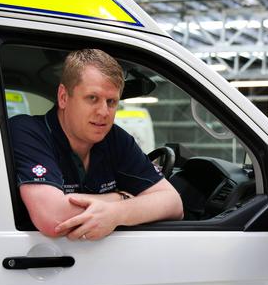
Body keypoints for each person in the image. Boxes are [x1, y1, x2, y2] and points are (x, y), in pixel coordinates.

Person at [10, 49, 183, 240]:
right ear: (63, 97)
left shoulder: (115, 138)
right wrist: (121, 197)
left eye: (111, 101)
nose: (104, 112)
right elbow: (54, 218)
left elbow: (174, 204)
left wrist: (117, 214)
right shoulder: (28, 131)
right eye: (92, 98)